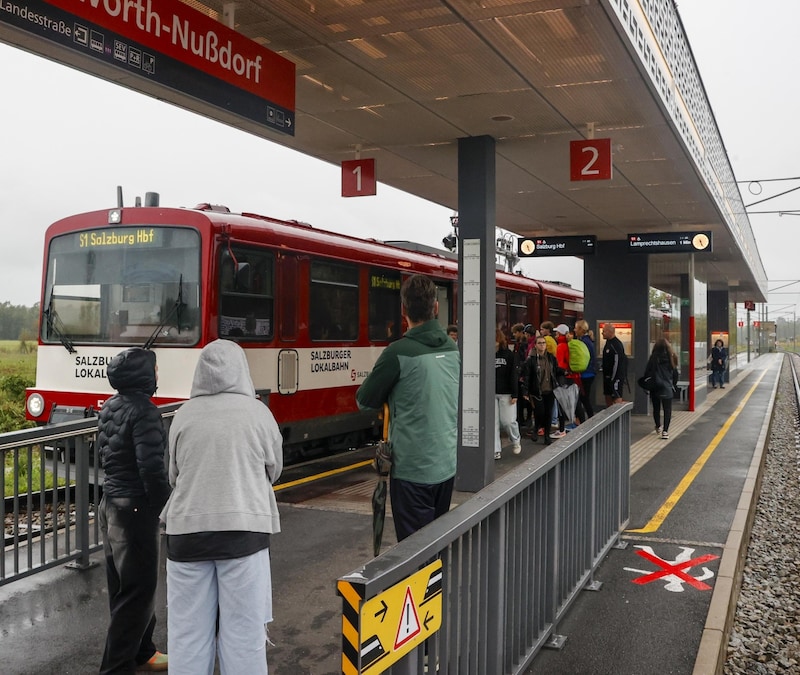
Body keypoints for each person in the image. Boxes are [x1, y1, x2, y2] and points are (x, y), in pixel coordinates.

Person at [161, 339, 282, 675]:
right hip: (244, 535)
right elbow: (274, 468)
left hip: (185, 536)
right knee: (243, 634)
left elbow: (173, 474)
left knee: (187, 635)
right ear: (241, 370)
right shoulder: (259, 413)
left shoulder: (183, 415)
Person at [356, 274, 460, 541]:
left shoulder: (397, 352)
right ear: (436, 308)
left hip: (412, 470)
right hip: (446, 465)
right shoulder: (452, 348)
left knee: (414, 551)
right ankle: (437, 582)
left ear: (404, 311)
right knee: (435, 542)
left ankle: (426, 583)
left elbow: (364, 400)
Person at [97, 347, 171, 673]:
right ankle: (115, 668)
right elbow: (152, 468)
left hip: (109, 504)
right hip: (135, 512)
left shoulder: (110, 406)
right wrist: (165, 508)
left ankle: (143, 650)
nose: (158, 374)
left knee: (123, 588)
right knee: (138, 593)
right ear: (145, 375)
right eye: (155, 369)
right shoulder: (146, 412)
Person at [521, 335, 565, 445]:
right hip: (537, 391)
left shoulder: (550, 358)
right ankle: (536, 428)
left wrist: (564, 371)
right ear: (535, 345)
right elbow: (527, 376)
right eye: (540, 343)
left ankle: (546, 436)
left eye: (544, 343)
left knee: (548, 414)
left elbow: (555, 370)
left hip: (550, 390)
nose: (542, 345)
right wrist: (525, 391)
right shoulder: (531, 360)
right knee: (539, 412)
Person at [642, 338, 679, 439]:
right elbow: (675, 373)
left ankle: (658, 426)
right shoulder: (672, 357)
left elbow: (647, 372)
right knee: (667, 410)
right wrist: (673, 385)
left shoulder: (653, 358)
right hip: (667, 387)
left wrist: (646, 384)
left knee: (656, 408)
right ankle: (665, 431)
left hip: (655, 387)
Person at [494, 329, 522, 459]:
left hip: (506, 392)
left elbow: (513, 375)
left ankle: (515, 440)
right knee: (492, 423)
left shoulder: (509, 355)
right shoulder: (486, 354)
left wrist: (515, 394)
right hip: (491, 393)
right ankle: (495, 449)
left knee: (508, 421)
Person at [601, 323, 627, 406]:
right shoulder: (608, 343)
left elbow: (617, 363)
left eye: (604, 331)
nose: (602, 333)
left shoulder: (616, 345)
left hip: (615, 378)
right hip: (607, 377)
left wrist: (614, 378)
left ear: (610, 332)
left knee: (616, 397)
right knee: (607, 396)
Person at [574, 319, 596, 418]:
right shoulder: (588, 340)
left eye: (575, 328)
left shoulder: (583, 342)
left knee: (583, 398)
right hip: (589, 373)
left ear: (580, 329)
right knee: (584, 398)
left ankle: (585, 420)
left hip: (585, 373)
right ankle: (587, 418)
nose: (574, 330)